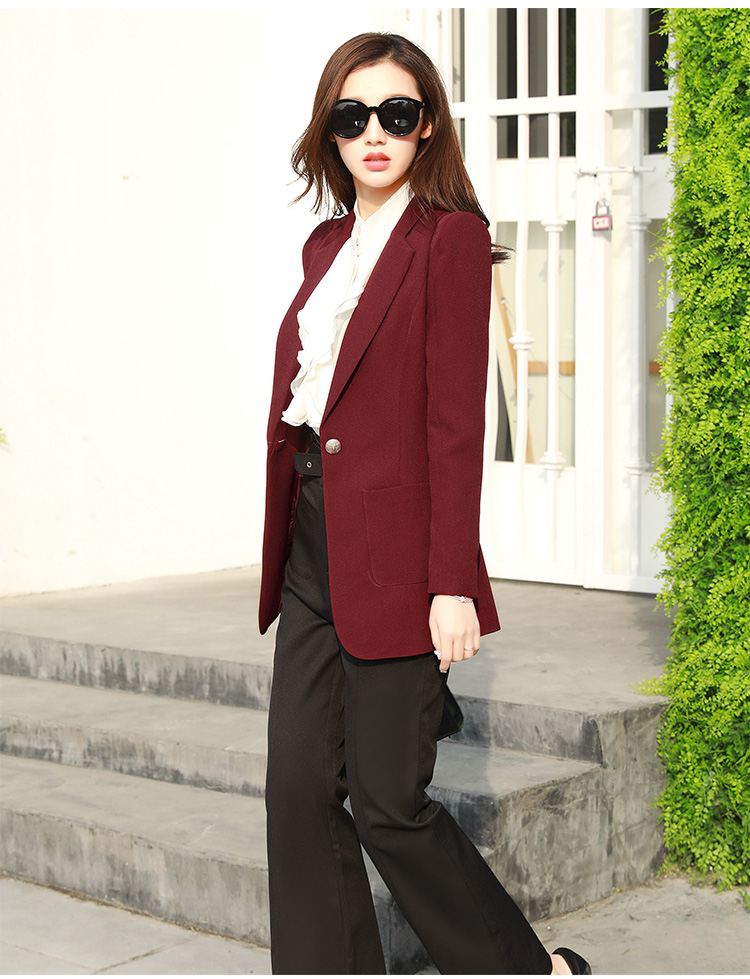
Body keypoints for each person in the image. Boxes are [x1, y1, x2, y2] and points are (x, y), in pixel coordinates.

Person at [259, 31, 592, 976]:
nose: (375, 133)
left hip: (400, 552)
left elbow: (454, 424)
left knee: (389, 805)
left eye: (396, 114)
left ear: (427, 126)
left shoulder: (450, 239)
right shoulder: (327, 243)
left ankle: (530, 972)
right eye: (352, 115)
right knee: (296, 789)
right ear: (329, 129)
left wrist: (452, 581)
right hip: (312, 542)